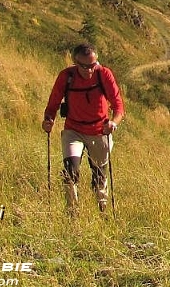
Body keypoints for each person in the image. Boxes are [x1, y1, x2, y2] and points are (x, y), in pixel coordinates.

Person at [42, 43, 124, 213]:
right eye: (84, 66)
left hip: (99, 130)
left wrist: (113, 123)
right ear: (75, 63)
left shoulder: (104, 74)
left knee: (99, 175)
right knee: (70, 170)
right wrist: (48, 120)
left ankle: (102, 210)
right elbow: (53, 103)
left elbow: (118, 106)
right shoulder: (66, 76)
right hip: (73, 130)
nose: (88, 70)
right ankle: (72, 212)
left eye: (92, 65)